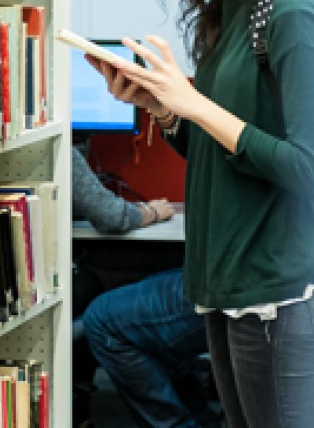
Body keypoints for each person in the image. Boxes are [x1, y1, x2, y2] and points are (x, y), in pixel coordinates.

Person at [89, 0, 314, 428]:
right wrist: (166, 109)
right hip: (223, 286)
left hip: (276, 290)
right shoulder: (235, 8)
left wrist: (197, 106)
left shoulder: (296, 8)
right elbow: (223, 152)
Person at [72, 145, 214, 428]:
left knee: (107, 317)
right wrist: (150, 211)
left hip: (247, 284)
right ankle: (201, 417)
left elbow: (110, 216)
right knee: (121, 307)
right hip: (288, 280)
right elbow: (111, 216)